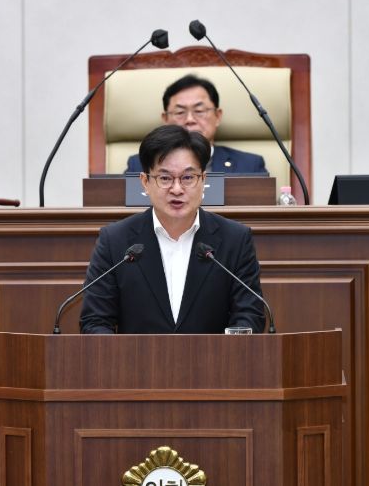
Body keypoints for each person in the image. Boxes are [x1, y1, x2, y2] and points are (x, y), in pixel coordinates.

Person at [81, 124, 266, 334]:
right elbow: (95, 322)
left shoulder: (235, 239)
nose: (177, 189)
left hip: (214, 356)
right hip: (137, 357)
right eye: (165, 178)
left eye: (188, 178)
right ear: (145, 182)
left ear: (203, 180)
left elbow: (249, 316)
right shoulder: (115, 241)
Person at [125, 74, 268, 174]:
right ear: (165, 120)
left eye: (199, 111)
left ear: (218, 116)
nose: (190, 119)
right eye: (180, 112)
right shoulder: (139, 165)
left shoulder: (250, 166)